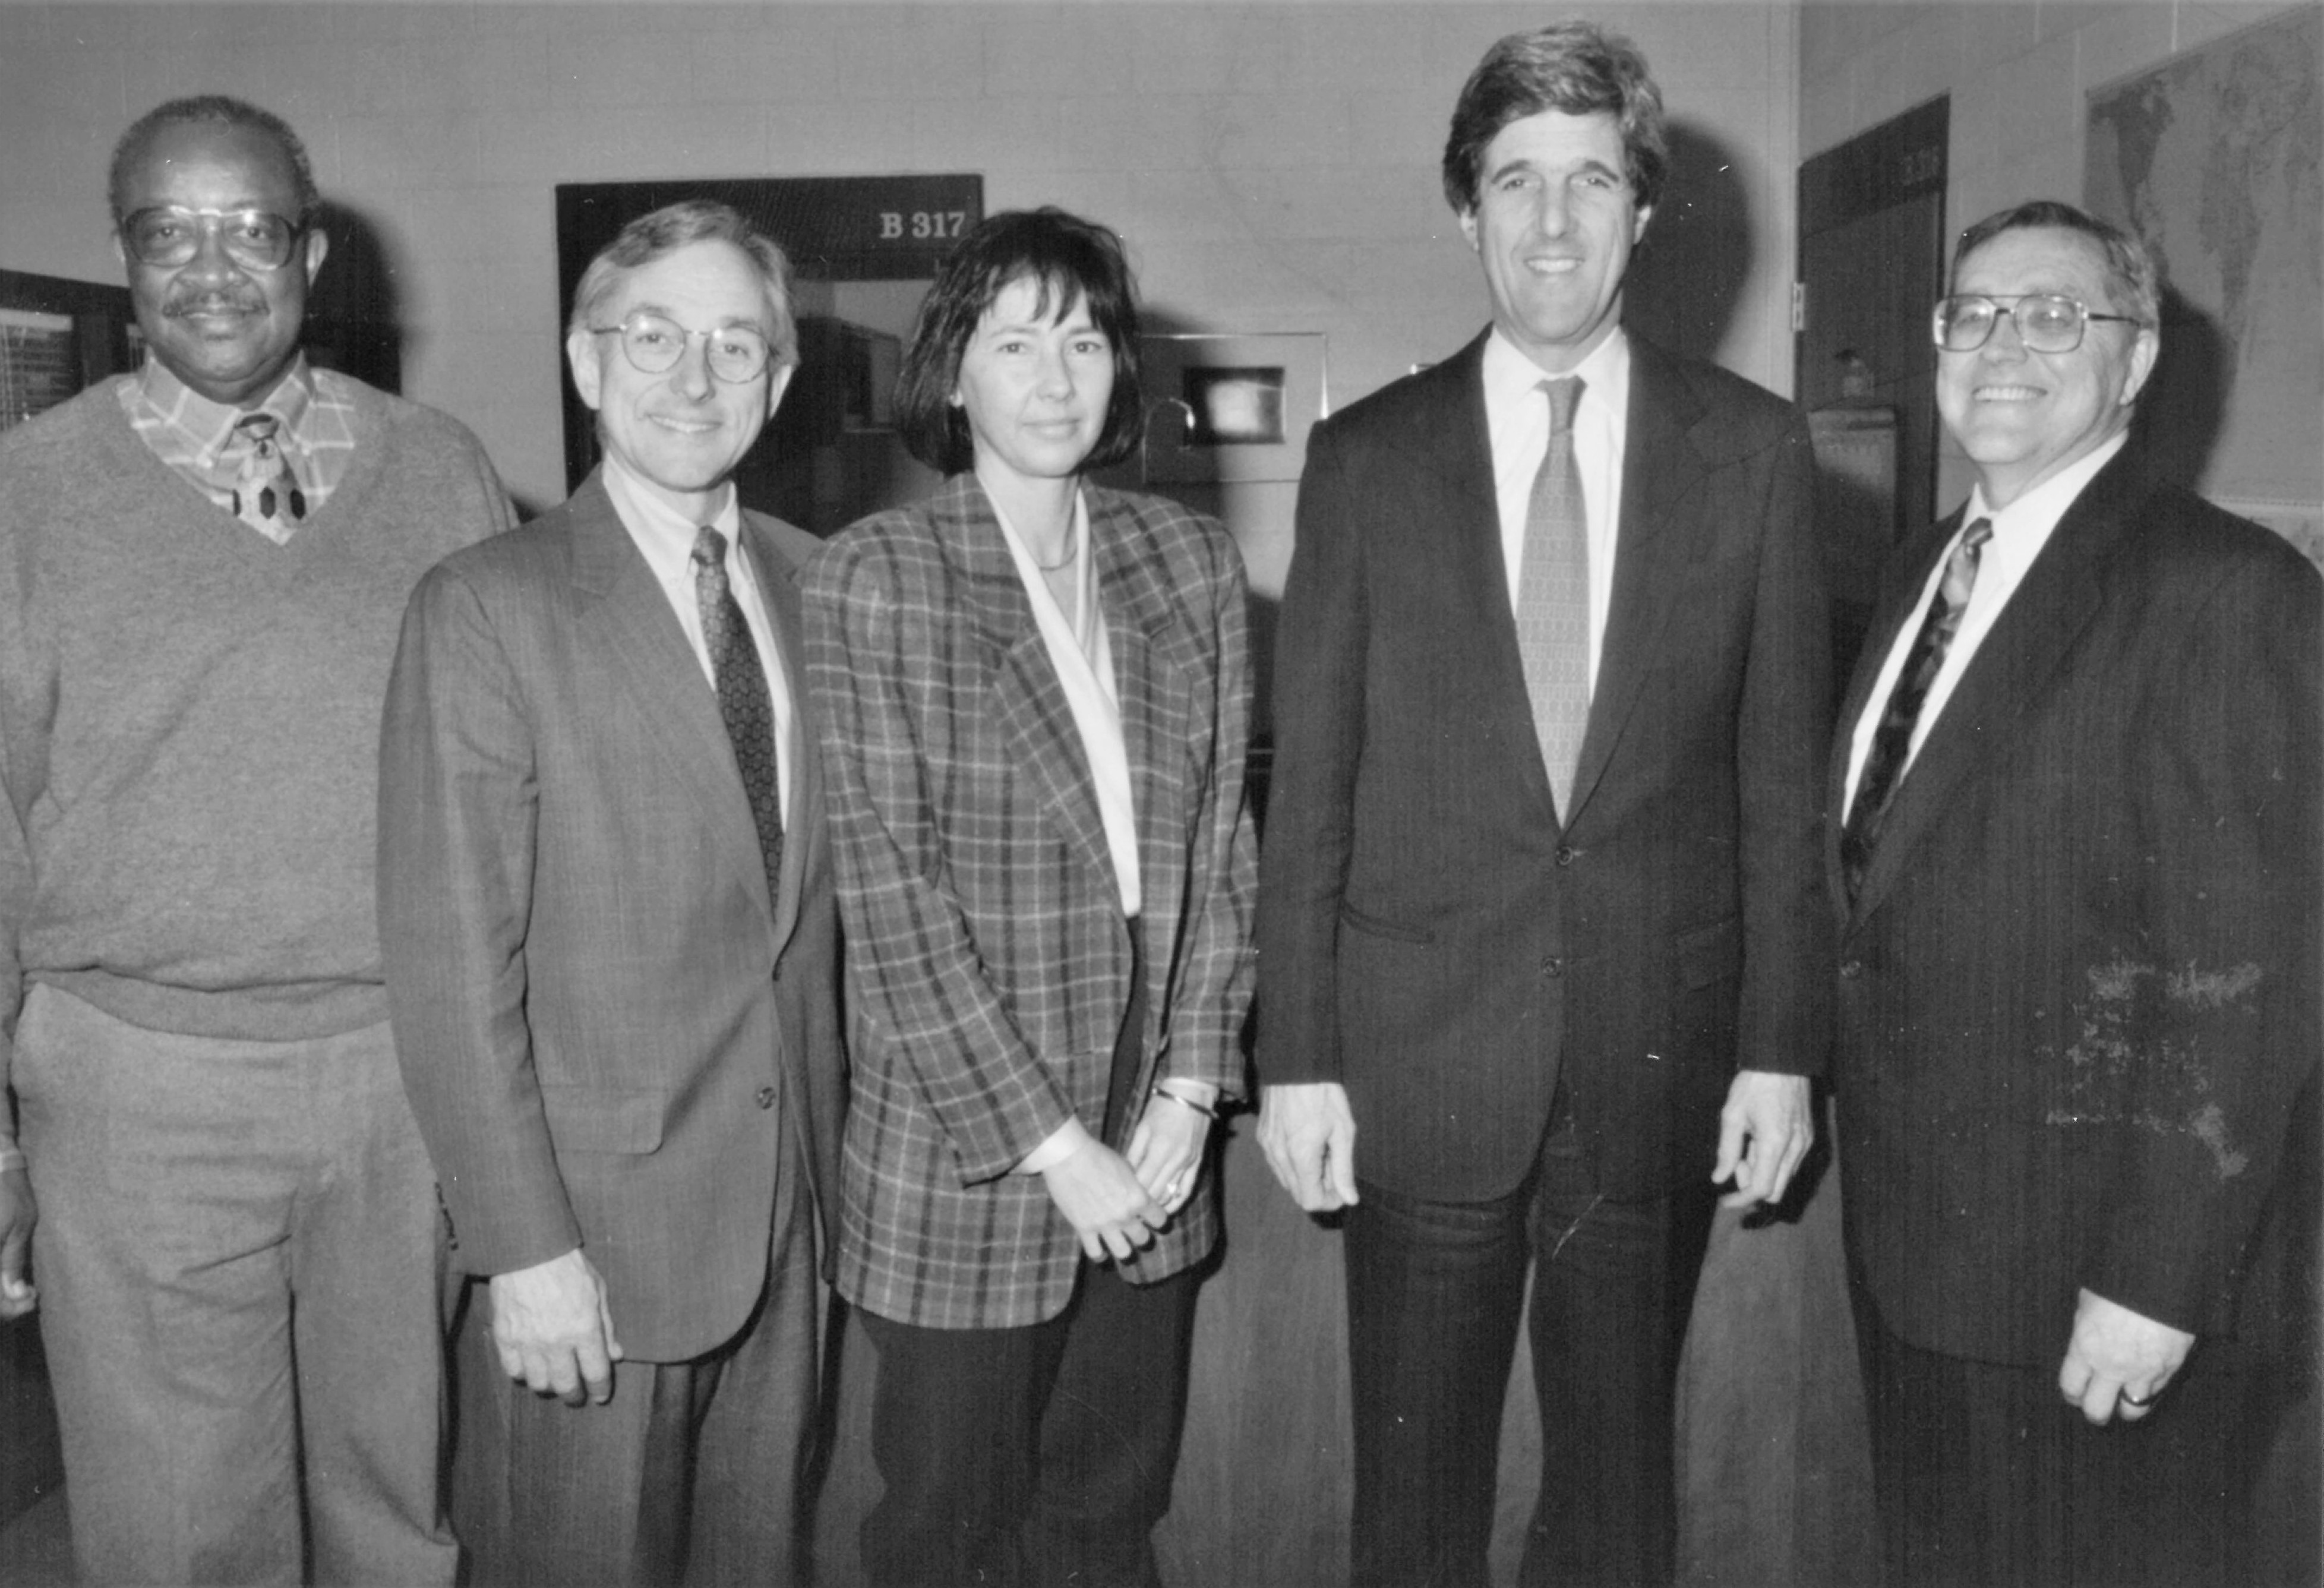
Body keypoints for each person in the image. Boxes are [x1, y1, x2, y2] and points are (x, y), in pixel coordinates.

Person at [1255, 23, 1833, 1586]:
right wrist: (1299, 1056)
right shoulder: (1365, 460)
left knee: (1615, 1501)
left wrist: (1782, 1045)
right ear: (1467, 211)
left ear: (1644, 209)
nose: (1555, 221)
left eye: (1591, 179)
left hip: (1652, 1060)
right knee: (1414, 1506)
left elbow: (1781, 784)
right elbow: (1311, 795)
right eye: (1517, 181)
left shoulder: (1755, 452)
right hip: (1423, 1068)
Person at [0, 95, 513, 1584]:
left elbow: (506, 784)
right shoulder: (27, 492)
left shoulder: (441, 467)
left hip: (399, 1076)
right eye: (170, 233)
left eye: (252, 230)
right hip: (136, 1081)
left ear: (314, 253)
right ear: (124, 256)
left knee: (394, 1501)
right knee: (179, 1526)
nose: (212, 269)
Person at [1829, 198, 2320, 1587]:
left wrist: (2157, 1281)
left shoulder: (2226, 591)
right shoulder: (1925, 565)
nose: (2003, 347)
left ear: (2137, 356)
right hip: (1923, 1255)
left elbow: (2250, 980)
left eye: (2054, 316)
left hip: (2092, 1284)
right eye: (1973, 314)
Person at [377, 200, 845, 1587]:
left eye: (735, 344)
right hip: (592, 1246)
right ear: (585, 361)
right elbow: (450, 965)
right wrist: (526, 1248)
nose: (695, 378)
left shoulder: (823, 584)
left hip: (793, 1223)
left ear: (780, 381)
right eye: (653, 337)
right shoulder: (488, 604)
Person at [802, 207, 1256, 1588]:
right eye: (1015, 344)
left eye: (1084, 343)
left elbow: (1221, 844)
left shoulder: (1188, 559)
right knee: (947, 1533)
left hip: (1152, 1104)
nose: (1056, 379)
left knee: (1106, 1518)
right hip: (976, 1131)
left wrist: (1193, 1085)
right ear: (952, 373)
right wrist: (1058, 1147)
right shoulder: (878, 573)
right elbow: (893, 909)